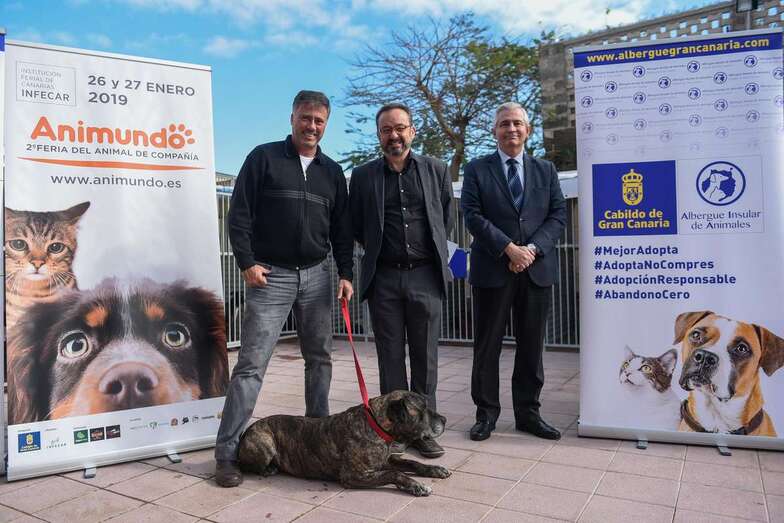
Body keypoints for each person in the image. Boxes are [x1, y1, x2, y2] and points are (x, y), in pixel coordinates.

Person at [215, 90, 354, 487]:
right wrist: (246, 262)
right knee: (251, 366)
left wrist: (345, 273)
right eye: (305, 118)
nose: (312, 126)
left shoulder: (332, 171)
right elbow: (239, 215)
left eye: (319, 121)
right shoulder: (264, 157)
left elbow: (342, 230)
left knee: (320, 360)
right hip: (270, 275)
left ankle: (319, 444)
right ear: (292, 117)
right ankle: (227, 454)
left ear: (326, 124)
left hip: (317, 275)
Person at [349, 103, 453, 458]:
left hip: (425, 275)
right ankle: (393, 431)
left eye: (400, 128)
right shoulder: (363, 176)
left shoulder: (436, 170)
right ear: (379, 135)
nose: (394, 135)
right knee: (390, 358)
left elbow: (444, 220)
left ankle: (423, 431)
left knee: (426, 359)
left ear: (412, 131)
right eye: (386, 130)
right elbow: (358, 225)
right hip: (385, 279)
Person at [460, 102, 566, 442]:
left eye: (517, 123)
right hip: (493, 268)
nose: (511, 129)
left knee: (532, 346)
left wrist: (531, 250)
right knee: (487, 346)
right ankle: (486, 415)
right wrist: (509, 248)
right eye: (504, 123)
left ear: (528, 129)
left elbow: (558, 215)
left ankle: (528, 414)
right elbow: (472, 214)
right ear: (495, 131)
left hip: (536, 270)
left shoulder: (546, 170)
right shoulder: (477, 169)